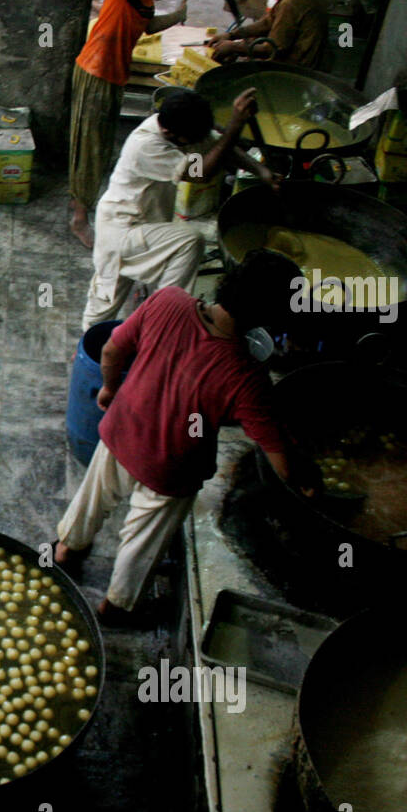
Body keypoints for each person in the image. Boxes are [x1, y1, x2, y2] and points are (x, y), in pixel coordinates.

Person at [54, 249, 320, 626]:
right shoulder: (247, 377)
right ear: (270, 319)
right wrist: (304, 478)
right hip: (170, 467)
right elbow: (279, 460)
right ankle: (115, 607)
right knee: (143, 539)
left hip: (122, 428)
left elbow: (113, 348)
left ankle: (66, 550)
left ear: (230, 282)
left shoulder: (168, 300)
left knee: (93, 496)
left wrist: (110, 390)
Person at [83, 86, 279, 329]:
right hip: (121, 228)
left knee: (148, 271)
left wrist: (263, 172)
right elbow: (201, 172)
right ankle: (162, 314)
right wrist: (235, 125)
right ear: (168, 131)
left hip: (148, 225)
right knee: (110, 292)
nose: (201, 143)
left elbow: (222, 148)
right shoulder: (145, 145)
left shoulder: (180, 128)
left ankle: (157, 315)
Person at [69, 0, 229, 248]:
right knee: (90, 148)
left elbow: (148, 26)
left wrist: (177, 17)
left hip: (114, 73)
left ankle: (86, 204)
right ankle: (80, 218)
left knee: (101, 145)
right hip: (96, 69)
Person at [206, 0, 330, 69]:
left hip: (297, 69)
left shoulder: (291, 2)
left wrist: (233, 47)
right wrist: (231, 35)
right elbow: (267, 22)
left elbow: (272, 49)